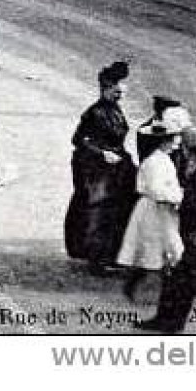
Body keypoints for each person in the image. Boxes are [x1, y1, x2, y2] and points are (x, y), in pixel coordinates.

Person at [137, 126, 196, 332]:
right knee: (180, 280)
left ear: (190, 149)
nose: (180, 150)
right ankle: (169, 320)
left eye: (183, 146)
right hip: (193, 234)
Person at [64, 60, 136, 272]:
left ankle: (109, 253)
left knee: (116, 210)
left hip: (115, 167)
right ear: (105, 89)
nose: (119, 96)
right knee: (99, 211)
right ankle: (97, 257)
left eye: (121, 93)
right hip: (96, 169)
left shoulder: (116, 111)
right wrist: (102, 153)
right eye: (115, 92)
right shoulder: (94, 113)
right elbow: (78, 139)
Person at [117, 107, 189, 302]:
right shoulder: (155, 162)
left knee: (158, 249)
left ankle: (140, 288)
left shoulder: (163, 160)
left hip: (160, 211)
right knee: (153, 248)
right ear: (164, 141)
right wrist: (178, 198)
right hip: (154, 211)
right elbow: (157, 190)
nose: (176, 143)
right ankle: (145, 292)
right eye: (173, 139)